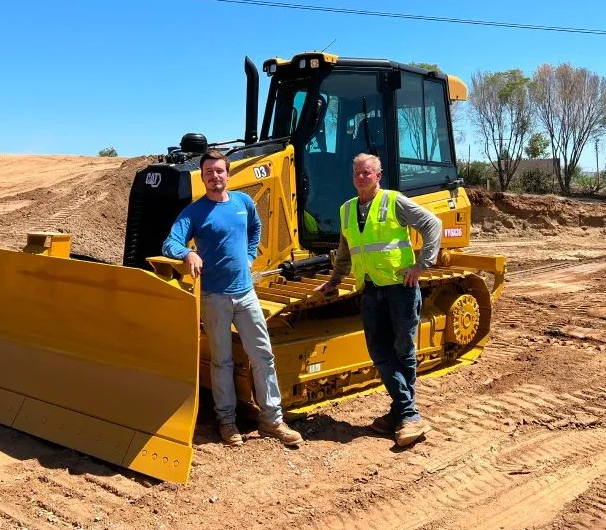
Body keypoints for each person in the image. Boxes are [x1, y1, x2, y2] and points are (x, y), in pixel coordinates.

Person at [162, 150, 303, 447]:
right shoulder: (194, 212)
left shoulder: (244, 203)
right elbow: (170, 242)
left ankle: (272, 420)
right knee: (222, 362)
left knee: (263, 356)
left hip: (246, 294)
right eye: (209, 172)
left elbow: (255, 229)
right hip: (214, 298)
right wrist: (187, 252)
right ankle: (227, 422)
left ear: (228, 174)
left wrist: (251, 255)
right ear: (203, 177)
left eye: (219, 171)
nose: (214, 176)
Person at [314, 153, 442, 447]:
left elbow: (432, 224)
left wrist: (422, 265)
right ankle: (403, 413)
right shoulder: (347, 210)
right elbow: (345, 253)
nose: (361, 177)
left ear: (378, 175)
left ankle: (406, 414)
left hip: (400, 288)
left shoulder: (393, 201)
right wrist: (334, 281)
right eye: (357, 173)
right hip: (370, 289)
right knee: (379, 352)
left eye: (367, 172)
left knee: (402, 351)